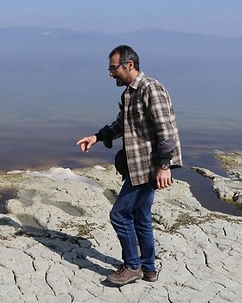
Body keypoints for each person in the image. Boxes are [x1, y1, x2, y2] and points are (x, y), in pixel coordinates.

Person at [76, 45, 182, 286]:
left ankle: (132, 265)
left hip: (147, 167)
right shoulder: (129, 93)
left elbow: (166, 133)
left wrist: (164, 166)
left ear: (129, 65)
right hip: (137, 166)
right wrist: (97, 137)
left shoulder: (151, 89)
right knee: (140, 216)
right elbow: (121, 125)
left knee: (119, 214)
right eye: (110, 68)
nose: (111, 73)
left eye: (113, 68)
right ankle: (149, 268)